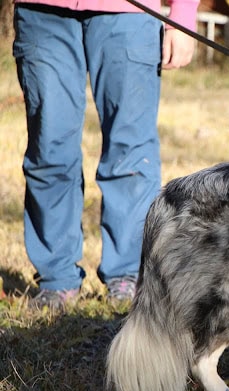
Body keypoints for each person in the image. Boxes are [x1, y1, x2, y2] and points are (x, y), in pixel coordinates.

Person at [12, 0, 200, 309]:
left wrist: (182, 14)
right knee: (49, 149)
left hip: (130, 12)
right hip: (42, 10)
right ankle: (55, 279)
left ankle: (128, 275)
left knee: (131, 155)